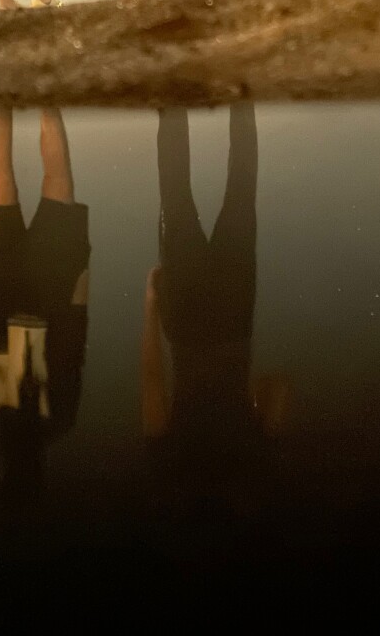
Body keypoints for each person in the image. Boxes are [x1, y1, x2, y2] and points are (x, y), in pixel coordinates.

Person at [141, 106, 289, 522]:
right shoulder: (168, 470)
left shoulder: (254, 465)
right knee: (176, 194)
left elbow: (277, 386)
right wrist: (151, 306)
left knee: (241, 189)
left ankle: (242, 95)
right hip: (185, 325)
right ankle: (173, 96)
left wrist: (249, 400)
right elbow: (152, 382)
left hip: (232, 322)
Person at [0, 107, 90, 513]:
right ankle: (3, 99)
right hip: (0, 293)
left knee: (56, 182)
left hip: (51, 293)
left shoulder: (57, 422)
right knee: (1, 187)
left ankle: (46, 100)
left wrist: (81, 277)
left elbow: (71, 347)